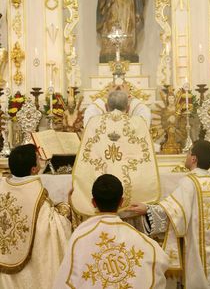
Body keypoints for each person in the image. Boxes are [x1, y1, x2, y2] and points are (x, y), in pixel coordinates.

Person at [129, 140, 210, 288]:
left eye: (188, 152)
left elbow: (174, 213)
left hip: (196, 251)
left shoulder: (189, 182)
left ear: (194, 158)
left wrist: (147, 209)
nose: (186, 156)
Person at [53, 174, 169, 289]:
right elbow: (161, 260)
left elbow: (65, 280)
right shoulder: (141, 240)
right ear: (121, 202)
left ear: (93, 202)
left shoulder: (80, 236)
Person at [72, 90, 160, 217]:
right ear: (128, 107)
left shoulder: (94, 123)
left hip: (102, 184)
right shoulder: (138, 123)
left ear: (106, 107)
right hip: (130, 186)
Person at [0, 144, 72, 289]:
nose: (40, 161)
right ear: (34, 169)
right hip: (29, 270)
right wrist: (67, 206)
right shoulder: (36, 195)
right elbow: (53, 228)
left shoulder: (2, 186)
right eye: (38, 159)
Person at [83, 83, 151, 128]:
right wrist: (128, 95)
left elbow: (89, 117)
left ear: (106, 107)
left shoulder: (98, 125)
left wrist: (107, 95)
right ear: (128, 108)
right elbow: (145, 115)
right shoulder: (135, 125)